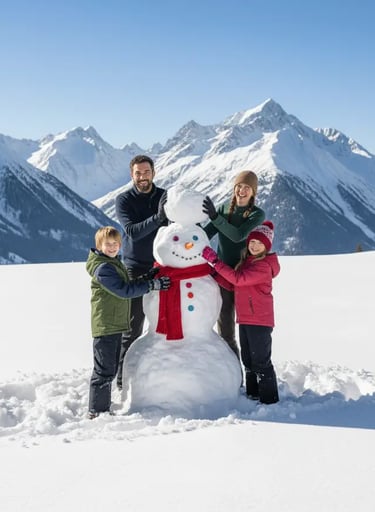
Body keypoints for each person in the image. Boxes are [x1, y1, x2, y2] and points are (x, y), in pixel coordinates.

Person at [86, 226, 170, 419]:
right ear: (99, 245)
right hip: (106, 325)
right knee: (104, 371)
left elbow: (127, 284)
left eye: (116, 244)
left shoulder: (112, 263)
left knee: (109, 368)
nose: (113, 247)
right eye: (108, 244)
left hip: (113, 324)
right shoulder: (104, 268)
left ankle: (101, 408)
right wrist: (152, 285)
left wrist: (146, 277)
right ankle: (97, 412)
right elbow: (124, 291)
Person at [202, 221, 280, 404]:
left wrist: (215, 261)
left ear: (266, 247)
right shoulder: (247, 262)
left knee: (261, 361)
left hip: (260, 320)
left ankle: (269, 399)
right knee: (248, 359)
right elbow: (232, 284)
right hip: (245, 318)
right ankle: (253, 394)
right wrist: (214, 273)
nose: (254, 246)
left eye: (259, 243)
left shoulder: (263, 266)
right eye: (252, 242)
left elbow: (238, 279)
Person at [115, 155, 168, 389]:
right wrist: (158, 218)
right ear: (132, 175)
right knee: (133, 327)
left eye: (146, 172)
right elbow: (133, 232)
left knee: (165, 324)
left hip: (162, 267)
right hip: (135, 269)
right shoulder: (124, 199)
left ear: (153, 172)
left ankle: (160, 376)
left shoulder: (164, 197)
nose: (142, 177)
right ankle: (122, 380)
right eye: (138, 173)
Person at [202, 171, 265, 357]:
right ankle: (233, 373)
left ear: (253, 192)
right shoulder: (223, 210)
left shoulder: (257, 214)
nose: (242, 191)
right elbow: (206, 235)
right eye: (239, 186)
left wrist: (215, 217)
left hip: (245, 277)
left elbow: (238, 235)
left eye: (247, 188)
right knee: (226, 330)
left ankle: (252, 370)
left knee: (248, 330)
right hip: (223, 275)